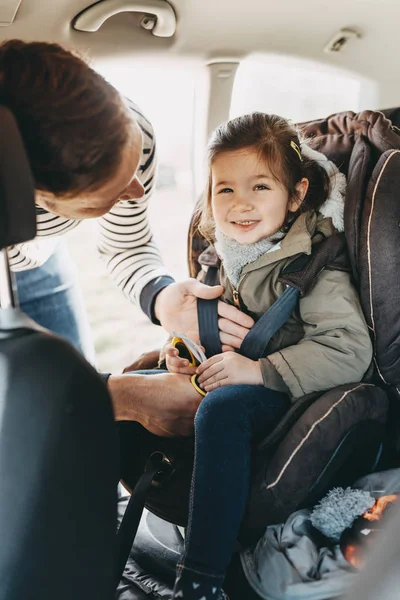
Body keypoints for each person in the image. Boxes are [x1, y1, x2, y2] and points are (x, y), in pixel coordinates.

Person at [158, 112, 373, 600]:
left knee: (221, 411)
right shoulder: (225, 254)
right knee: (148, 377)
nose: (240, 205)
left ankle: (202, 578)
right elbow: (216, 326)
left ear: (296, 195)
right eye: (225, 190)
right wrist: (184, 354)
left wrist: (258, 371)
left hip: (296, 391)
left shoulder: (312, 264)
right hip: (242, 370)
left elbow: (348, 349)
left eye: (259, 187)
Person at [1, 39, 253, 362]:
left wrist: (161, 299)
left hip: (42, 261)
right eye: (107, 197)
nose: (136, 192)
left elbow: (126, 243)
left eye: (134, 169)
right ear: (35, 197)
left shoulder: (134, 132)